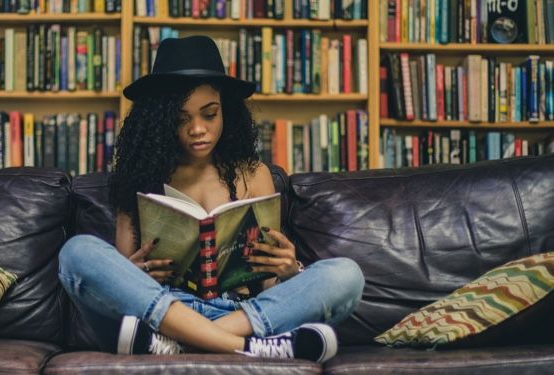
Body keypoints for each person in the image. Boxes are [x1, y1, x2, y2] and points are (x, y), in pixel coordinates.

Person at [58, 35, 365, 363]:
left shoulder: (254, 174)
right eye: (181, 118)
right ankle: (248, 347)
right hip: (162, 307)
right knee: (76, 253)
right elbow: (123, 281)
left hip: (240, 311)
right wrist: (132, 272)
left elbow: (269, 286)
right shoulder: (137, 177)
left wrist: (290, 269)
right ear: (161, 122)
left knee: (346, 275)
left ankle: (184, 341)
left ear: (226, 112)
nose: (197, 129)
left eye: (209, 114)